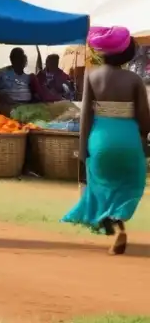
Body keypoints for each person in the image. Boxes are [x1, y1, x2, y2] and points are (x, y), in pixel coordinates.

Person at [63, 26, 150, 255]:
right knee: (128, 185)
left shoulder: (92, 76)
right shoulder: (134, 80)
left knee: (100, 186)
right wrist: (142, 138)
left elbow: (85, 116)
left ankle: (115, 226)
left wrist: (82, 149)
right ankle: (118, 220)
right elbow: (145, 118)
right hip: (128, 138)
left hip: (101, 139)